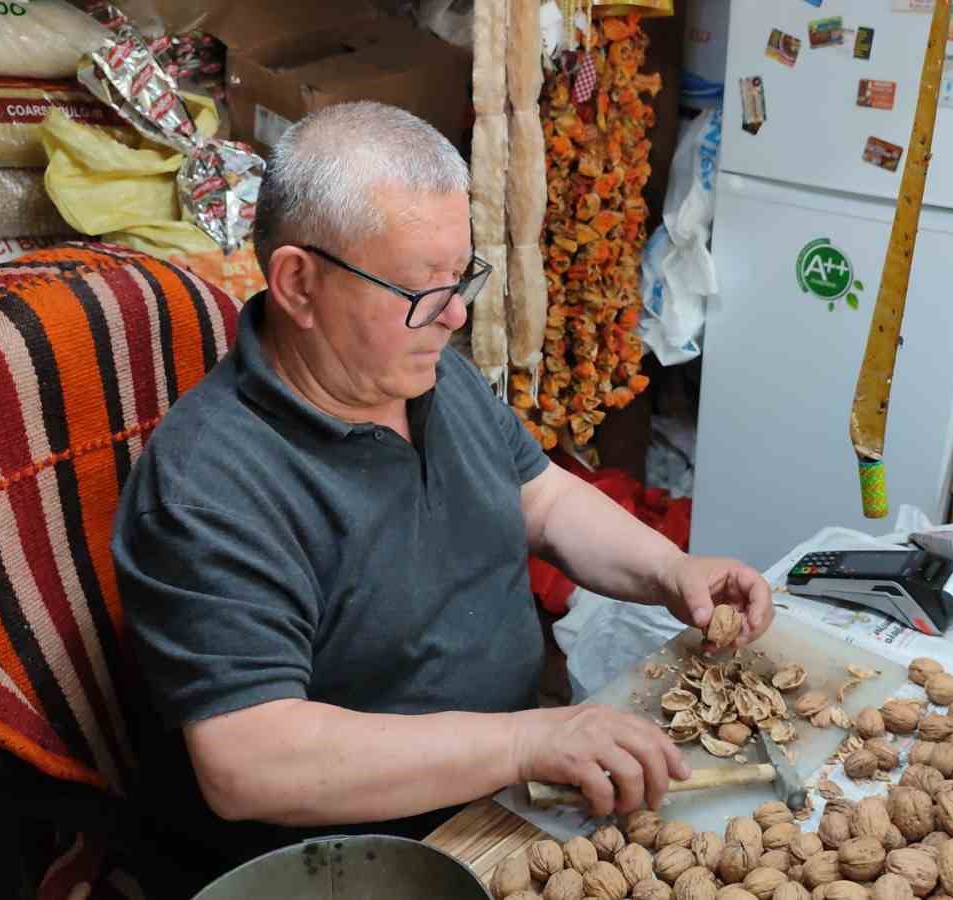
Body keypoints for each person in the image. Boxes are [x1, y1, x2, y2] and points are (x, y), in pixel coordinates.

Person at [110, 101, 772, 871]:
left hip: (510, 787)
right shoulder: (209, 486)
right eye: (423, 291)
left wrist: (670, 571)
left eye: (462, 279)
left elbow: (545, 498)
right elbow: (248, 761)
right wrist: (530, 740)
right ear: (298, 283)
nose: (454, 316)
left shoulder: (424, 373)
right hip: (362, 858)